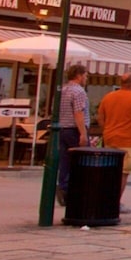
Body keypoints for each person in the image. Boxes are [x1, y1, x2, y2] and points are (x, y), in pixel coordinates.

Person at [98, 74, 131, 214]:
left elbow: (100, 118)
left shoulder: (108, 97)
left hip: (110, 140)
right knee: (123, 173)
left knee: (110, 172)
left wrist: (107, 131)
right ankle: (115, 203)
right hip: (128, 141)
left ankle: (105, 200)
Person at [53, 64, 91, 206]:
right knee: (81, 162)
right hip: (75, 130)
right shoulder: (79, 91)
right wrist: (83, 133)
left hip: (63, 129)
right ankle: (77, 191)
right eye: (85, 76)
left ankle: (63, 188)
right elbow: (78, 113)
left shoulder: (62, 90)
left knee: (65, 161)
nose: (86, 79)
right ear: (79, 76)